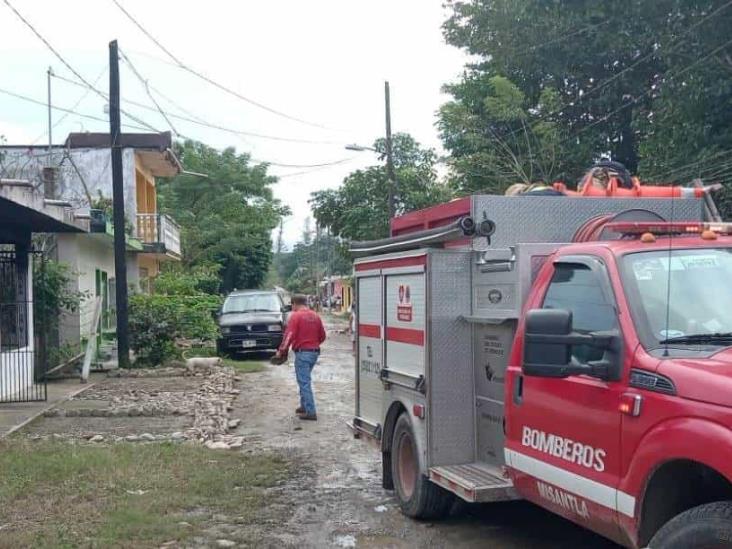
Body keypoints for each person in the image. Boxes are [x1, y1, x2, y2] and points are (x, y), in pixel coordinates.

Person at [274, 294, 326, 421]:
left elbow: (289, 335)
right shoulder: (315, 315)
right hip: (314, 352)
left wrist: (281, 351)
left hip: (303, 353)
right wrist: (312, 343)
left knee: (304, 382)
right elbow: (322, 336)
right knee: (304, 379)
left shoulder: (296, 316)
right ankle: (304, 406)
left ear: (294, 304)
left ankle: (310, 411)